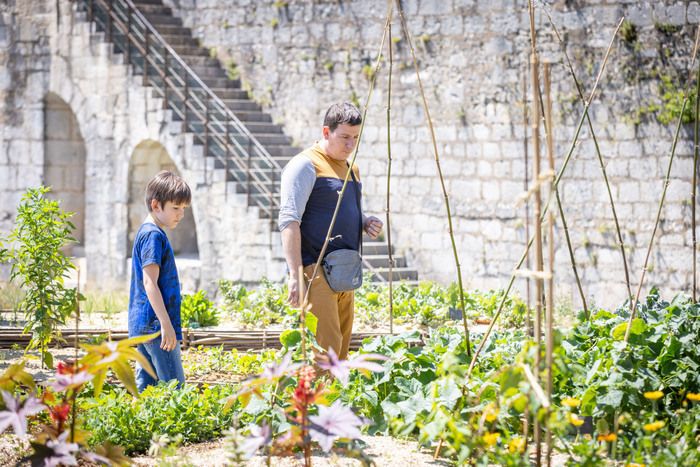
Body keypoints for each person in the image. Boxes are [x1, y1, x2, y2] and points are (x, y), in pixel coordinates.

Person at [279, 102, 383, 360]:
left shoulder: (353, 170)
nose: (350, 145)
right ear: (326, 132)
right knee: (324, 355)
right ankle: (317, 401)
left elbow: (341, 212)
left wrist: (365, 220)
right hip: (316, 271)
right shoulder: (305, 165)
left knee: (342, 352)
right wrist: (295, 276)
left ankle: (338, 400)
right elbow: (289, 220)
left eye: (356, 138)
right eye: (344, 137)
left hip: (346, 270)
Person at [128, 170, 191, 391]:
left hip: (142, 326)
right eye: (175, 208)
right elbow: (149, 283)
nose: (180, 214)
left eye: (183, 208)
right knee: (175, 389)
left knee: (147, 390)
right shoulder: (153, 235)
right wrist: (166, 324)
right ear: (156, 205)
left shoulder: (147, 232)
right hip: (156, 327)